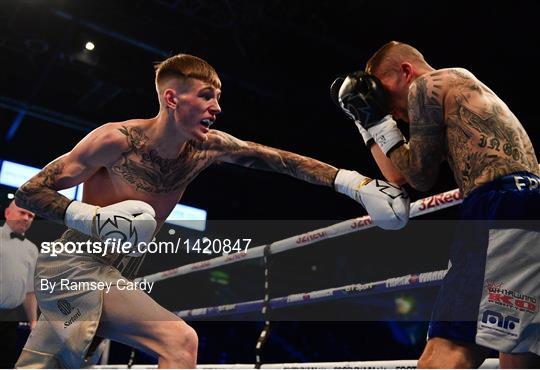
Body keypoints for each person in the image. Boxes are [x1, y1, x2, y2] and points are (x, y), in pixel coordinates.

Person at [14, 53, 410, 368]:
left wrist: (353, 183)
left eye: (217, 97)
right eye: (206, 95)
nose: (217, 107)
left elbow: (277, 159)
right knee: (179, 341)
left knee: (38, 366)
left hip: (116, 270)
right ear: (172, 99)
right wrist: (92, 217)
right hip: (73, 265)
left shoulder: (206, 148)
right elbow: (30, 191)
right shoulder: (116, 140)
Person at [332, 41, 540, 368]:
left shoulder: (428, 84)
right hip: (527, 207)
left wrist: (374, 118)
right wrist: (366, 122)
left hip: (499, 207)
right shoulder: (463, 91)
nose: (392, 111)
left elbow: (418, 177)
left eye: (386, 95)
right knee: (515, 351)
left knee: (446, 351)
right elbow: (397, 178)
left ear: (405, 71)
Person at [0, 200, 38, 368]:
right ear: (7, 213)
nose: (26, 218)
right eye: (22, 212)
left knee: (5, 362)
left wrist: (33, 322)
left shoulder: (32, 249)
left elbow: (30, 291)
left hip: (10, 320)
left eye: (30, 215)